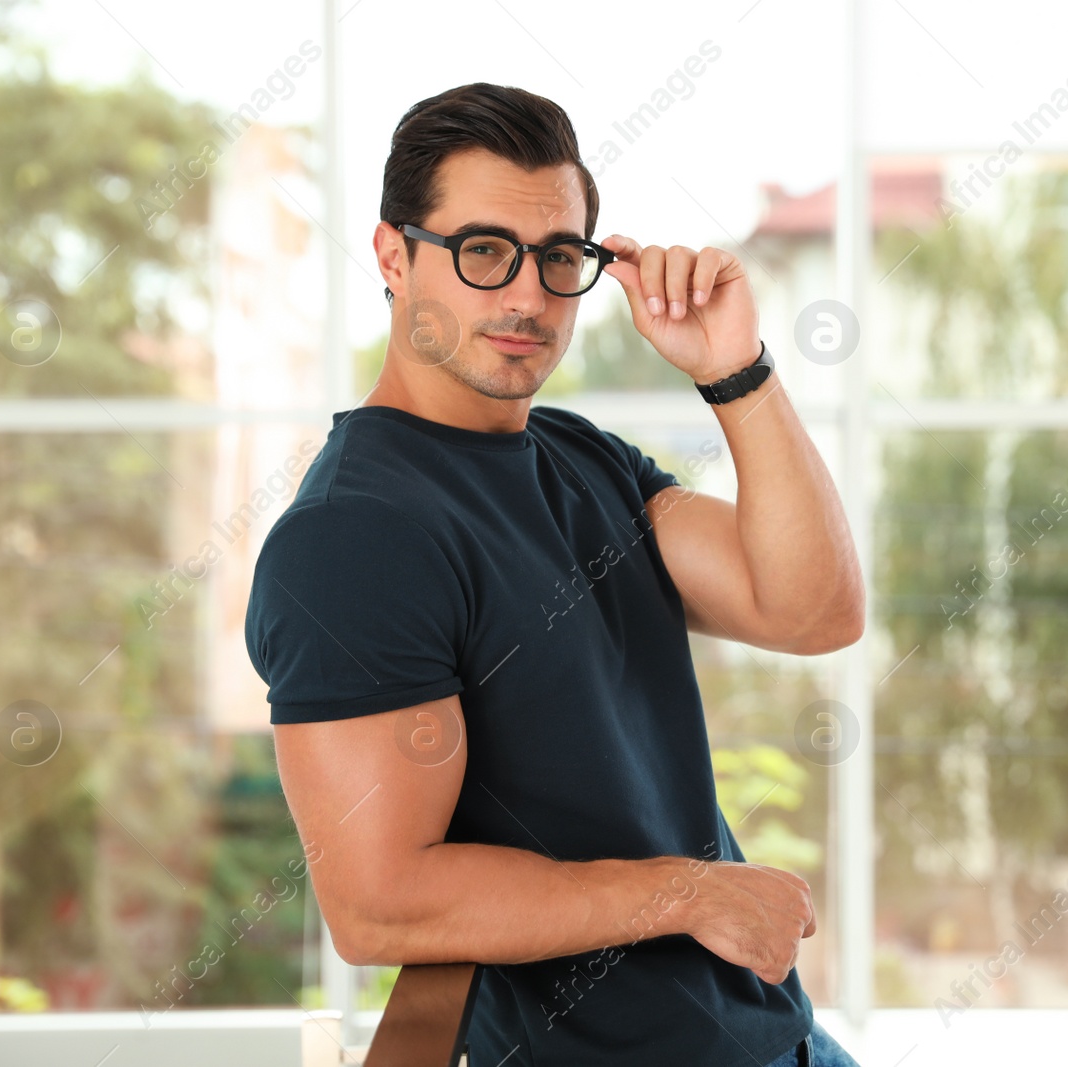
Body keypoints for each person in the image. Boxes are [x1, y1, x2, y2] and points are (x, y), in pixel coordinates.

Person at [245, 81, 865, 1067]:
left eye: (559, 257)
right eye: (483, 251)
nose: (528, 297)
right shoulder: (350, 538)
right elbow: (375, 903)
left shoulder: (580, 457)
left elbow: (814, 610)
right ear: (392, 256)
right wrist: (688, 891)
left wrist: (734, 370)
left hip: (776, 1038)